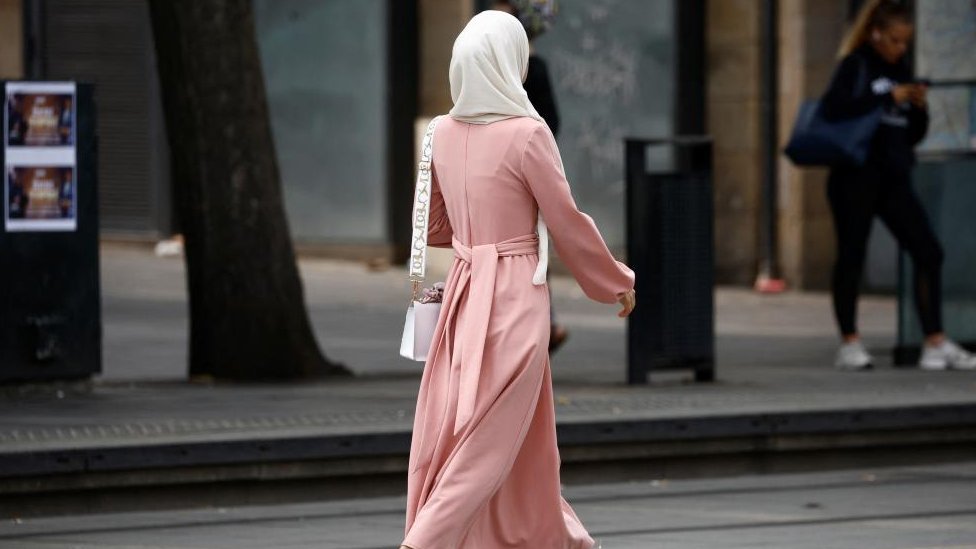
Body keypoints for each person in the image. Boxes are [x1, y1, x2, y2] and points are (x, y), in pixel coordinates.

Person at [400, 11, 635, 549]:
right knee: (491, 435)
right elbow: (567, 219)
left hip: (463, 290)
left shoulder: (440, 131)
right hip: (512, 296)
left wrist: (474, 230)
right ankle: (425, 542)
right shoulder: (529, 134)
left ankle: (560, 537)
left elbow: (436, 227)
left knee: (515, 435)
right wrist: (613, 280)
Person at [821, 0, 976, 371]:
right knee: (852, 255)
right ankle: (849, 342)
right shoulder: (856, 64)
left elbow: (910, 134)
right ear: (876, 34)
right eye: (894, 40)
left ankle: (934, 341)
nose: (900, 48)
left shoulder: (901, 69)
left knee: (928, 250)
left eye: (905, 42)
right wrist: (885, 97)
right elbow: (833, 109)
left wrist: (919, 107)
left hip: (892, 177)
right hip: (854, 175)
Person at [491, 0, 568, 352]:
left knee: (531, 250)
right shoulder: (499, 69)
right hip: (509, 175)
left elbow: (551, 123)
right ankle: (533, 324)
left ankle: (539, 323)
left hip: (520, 176)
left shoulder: (528, 70)